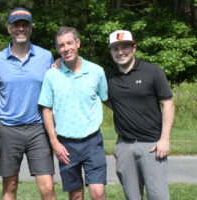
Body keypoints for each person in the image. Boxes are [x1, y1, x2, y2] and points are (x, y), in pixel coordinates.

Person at [0, 7, 57, 200]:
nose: (21, 29)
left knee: (48, 189)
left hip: (38, 129)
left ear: (31, 28)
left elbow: (54, 88)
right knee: (9, 188)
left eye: (25, 25)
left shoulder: (45, 57)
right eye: (16, 25)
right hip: (9, 130)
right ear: (9, 29)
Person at [39, 26, 108, 200]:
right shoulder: (52, 75)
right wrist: (54, 142)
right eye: (61, 45)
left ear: (78, 43)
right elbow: (46, 108)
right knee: (75, 195)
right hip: (66, 145)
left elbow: (107, 99)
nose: (66, 48)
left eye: (69, 43)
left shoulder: (97, 72)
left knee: (98, 193)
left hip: (92, 141)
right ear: (57, 49)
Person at [105, 30, 175, 200]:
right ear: (111, 51)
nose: (120, 52)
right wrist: (59, 62)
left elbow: (168, 105)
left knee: (158, 196)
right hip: (124, 146)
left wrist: (164, 139)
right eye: (115, 48)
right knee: (132, 197)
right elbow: (104, 98)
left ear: (134, 48)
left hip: (152, 146)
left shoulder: (153, 71)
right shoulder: (107, 77)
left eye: (125, 47)